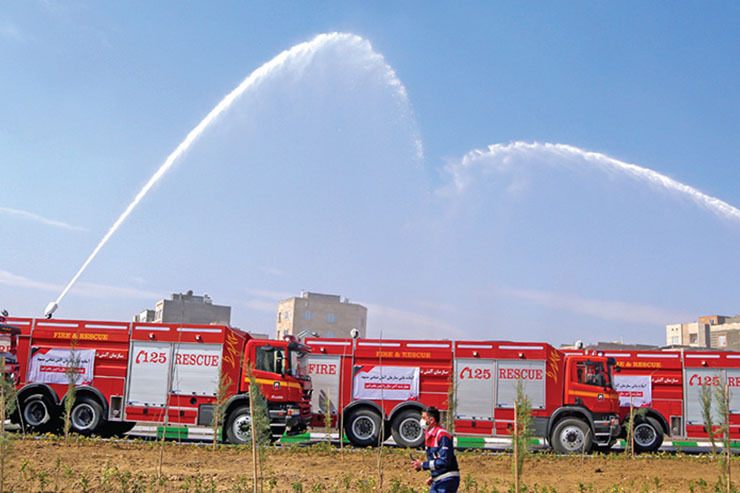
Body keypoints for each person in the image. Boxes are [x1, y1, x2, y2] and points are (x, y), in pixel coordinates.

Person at [411, 406, 460, 492]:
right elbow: (436, 459)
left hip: (447, 479)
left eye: (423, 418)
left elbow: (444, 461)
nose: (421, 420)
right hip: (439, 479)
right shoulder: (429, 435)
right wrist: (434, 476)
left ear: (431, 420)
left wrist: (423, 464)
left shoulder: (442, 435)